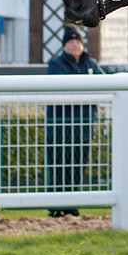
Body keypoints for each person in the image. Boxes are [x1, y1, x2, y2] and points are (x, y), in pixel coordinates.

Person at [45, 25, 104, 217]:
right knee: (58, 165)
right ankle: (56, 207)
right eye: (71, 42)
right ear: (64, 46)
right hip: (60, 127)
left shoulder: (91, 63)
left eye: (78, 42)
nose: (75, 45)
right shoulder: (55, 65)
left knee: (78, 165)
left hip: (84, 126)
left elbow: (104, 84)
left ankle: (72, 205)